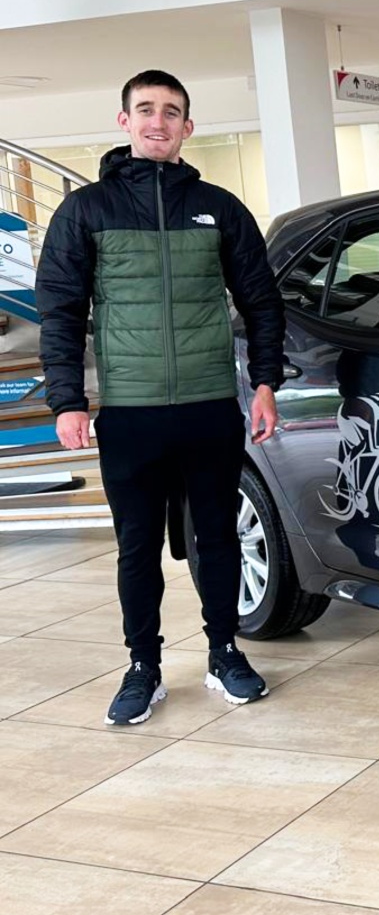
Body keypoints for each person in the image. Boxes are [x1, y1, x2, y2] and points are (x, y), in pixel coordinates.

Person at [36, 69, 285, 725]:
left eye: (171, 112)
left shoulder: (220, 208)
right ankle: (142, 666)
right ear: (124, 121)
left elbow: (261, 300)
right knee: (137, 545)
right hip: (131, 411)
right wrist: (67, 400)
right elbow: (60, 310)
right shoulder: (86, 210)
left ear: (187, 127)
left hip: (208, 405)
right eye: (145, 109)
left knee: (219, 539)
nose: (158, 121)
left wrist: (265, 384)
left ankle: (225, 652)